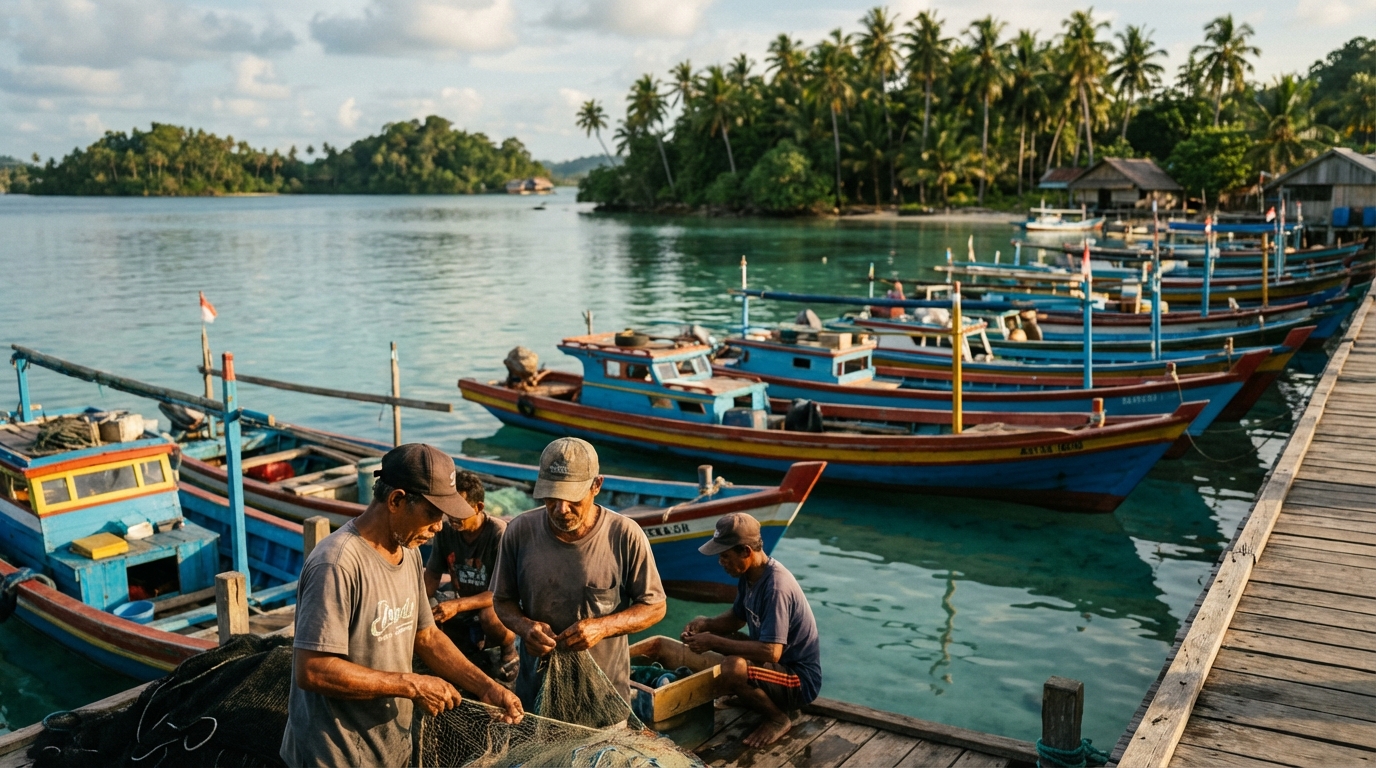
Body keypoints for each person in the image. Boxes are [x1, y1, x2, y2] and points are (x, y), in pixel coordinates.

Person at [281, 444, 522, 768]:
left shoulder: (408, 552)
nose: (439, 527)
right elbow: (312, 669)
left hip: (391, 748)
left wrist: (486, 687)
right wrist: (411, 684)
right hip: (335, 755)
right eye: (432, 514)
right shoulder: (336, 563)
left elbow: (426, 636)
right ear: (396, 500)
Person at [492, 437, 667, 710]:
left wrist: (602, 627)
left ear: (596, 485)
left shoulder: (624, 534)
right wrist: (526, 628)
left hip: (604, 697)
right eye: (552, 497)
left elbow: (655, 607)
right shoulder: (519, 531)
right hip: (536, 692)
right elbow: (501, 601)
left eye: (572, 498)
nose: (561, 509)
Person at [680, 513, 822, 748]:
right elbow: (737, 618)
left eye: (725, 556)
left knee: (733, 668)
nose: (720, 562)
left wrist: (712, 642)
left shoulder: (776, 587)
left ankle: (778, 719)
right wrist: (706, 624)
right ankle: (748, 692)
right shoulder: (750, 575)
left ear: (746, 551)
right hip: (775, 669)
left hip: (798, 681)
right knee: (728, 644)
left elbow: (771, 652)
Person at [423, 469, 518, 681]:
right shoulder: (446, 530)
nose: (451, 516)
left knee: (488, 615)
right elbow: (432, 575)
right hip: (462, 599)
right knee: (427, 608)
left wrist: (457, 605)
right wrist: (419, 605)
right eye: (449, 509)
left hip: (493, 603)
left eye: (459, 510)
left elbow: (500, 593)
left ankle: (508, 650)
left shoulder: (498, 533)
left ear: (479, 507)